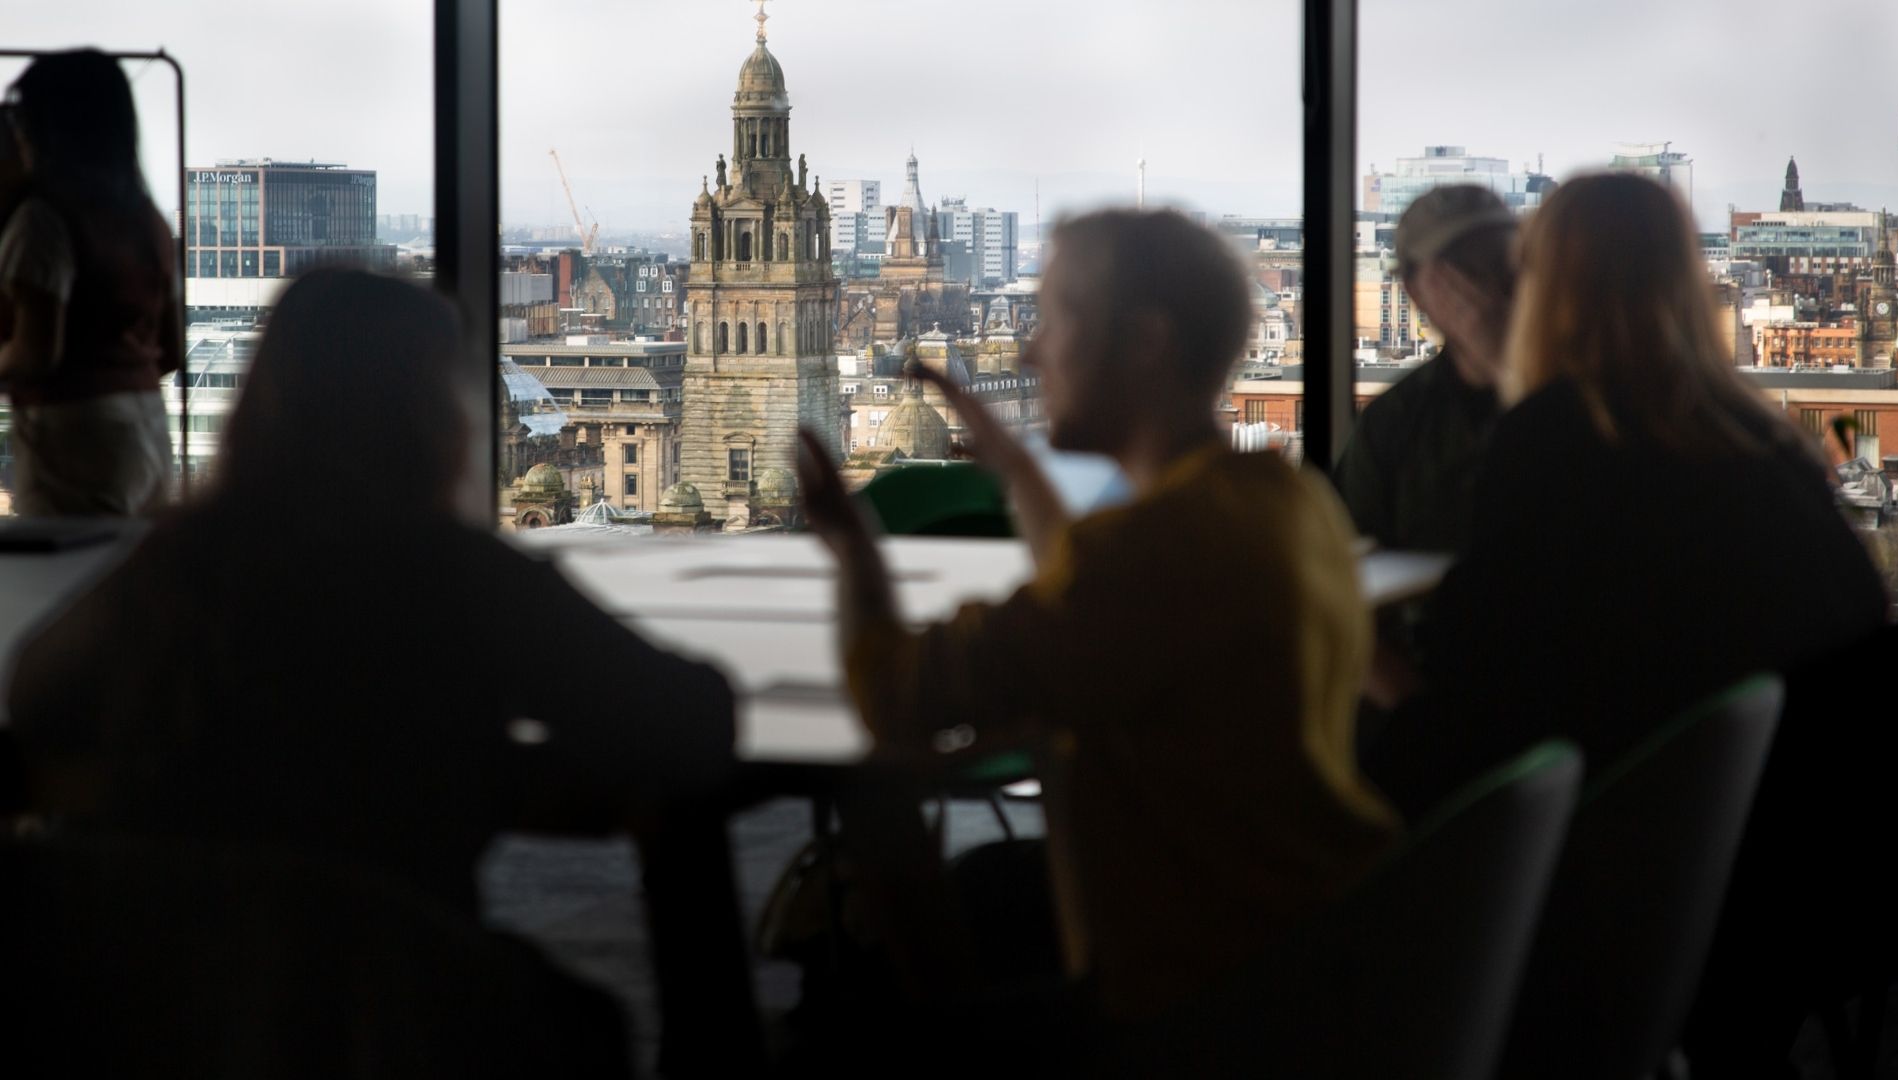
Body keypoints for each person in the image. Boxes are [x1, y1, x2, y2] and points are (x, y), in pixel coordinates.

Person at [5, 269, 761, 1072]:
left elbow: (36, 696)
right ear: (433, 416)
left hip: (164, 1016)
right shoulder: (459, 574)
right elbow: (690, 717)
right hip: (400, 1019)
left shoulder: (177, 561)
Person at [795, 209, 1401, 1024]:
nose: (1029, 352)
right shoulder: (1286, 503)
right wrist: (1017, 470)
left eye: (1057, 320)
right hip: (1314, 950)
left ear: (1145, 343)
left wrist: (853, 548)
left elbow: (896, 697)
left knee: (850, 970)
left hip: (1197, 1004)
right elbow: (1093, 597)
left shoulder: (1153, 555)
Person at [1363, 174, 1887, 819]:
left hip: (1619, 826)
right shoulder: (1764, 438)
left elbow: (1477, 704)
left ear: (1544, 288)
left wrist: (1365, 658)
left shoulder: (1553, 441)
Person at [0, 50, 180, 516]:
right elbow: (172, 350)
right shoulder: (150, 222)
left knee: (69, 562)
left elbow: (36, 354)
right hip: (147, 429)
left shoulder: (43, 221)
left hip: (70, 437)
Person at [1333, 184, 1518, 553]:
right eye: (1462, 269)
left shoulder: (1589, 395)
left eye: (1499, 261)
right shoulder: (1394, 423)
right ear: (1415, 290)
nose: (1484, 285)